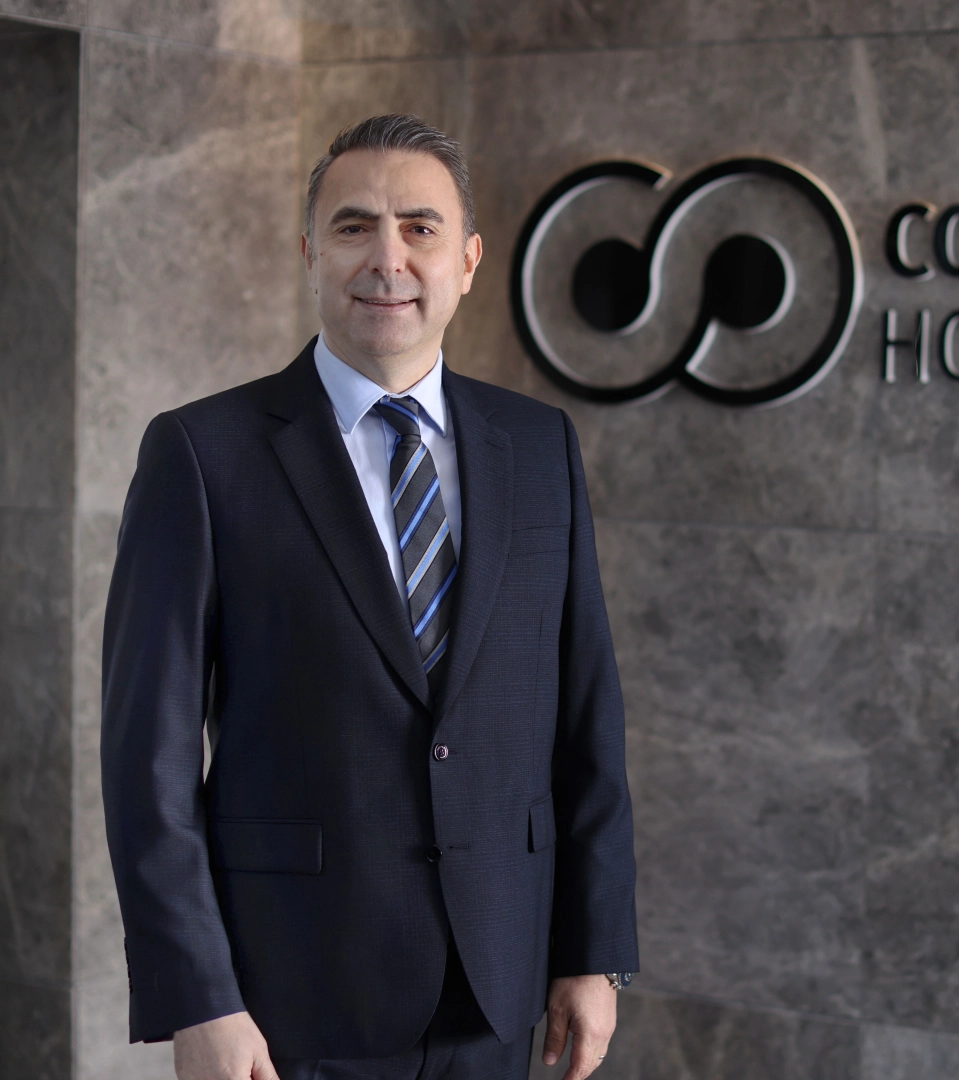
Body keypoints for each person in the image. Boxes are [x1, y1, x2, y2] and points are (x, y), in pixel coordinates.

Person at [101, 114, 637, 1080]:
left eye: (420, 228)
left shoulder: (538, 446)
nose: (387, 258)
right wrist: (199, 998)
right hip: (290, 1001)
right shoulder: (203, 454)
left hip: (498, 986)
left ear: (467, 261)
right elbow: (150, 761)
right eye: (354, 227)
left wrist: (592, 952)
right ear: (311, 253)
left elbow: (585, 716)